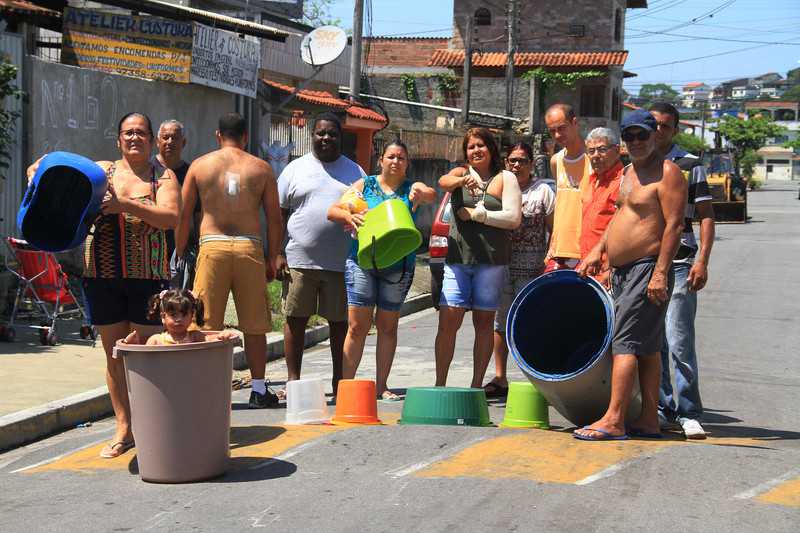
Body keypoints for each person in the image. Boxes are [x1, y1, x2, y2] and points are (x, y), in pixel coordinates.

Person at [27, 112, 181, 458]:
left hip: (147, 278)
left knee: (149, 354)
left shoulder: (163, 177)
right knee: (114, 355)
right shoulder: (101, 172)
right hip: (101, 274)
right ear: (118, 140)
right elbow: (46, 165)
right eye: (128, 133)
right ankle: (124, 428)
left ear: (152, 139)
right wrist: (37, 174)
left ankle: (156, 425)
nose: (134, 138)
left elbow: (170, 217)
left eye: (141, 133)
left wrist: (124, 205)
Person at [576, 109, 686, 441]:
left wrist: (660, 273)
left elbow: (674, 226)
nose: (636, 141)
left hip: (646, 268)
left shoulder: (668, 174)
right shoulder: (627, 172)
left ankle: (614, 419)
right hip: (623, 270)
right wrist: (599, 251)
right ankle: (649, 419)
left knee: (623, 344)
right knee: (648, 349)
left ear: (656, 136)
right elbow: (620, 217)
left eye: (642, 135)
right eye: (630, 136)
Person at [176, 112, 282, 409]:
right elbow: (274, 219)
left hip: (212, 246)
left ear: (217, 135)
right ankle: (259, 389)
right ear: (245, 137)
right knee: (255, 324)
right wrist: (273, 257)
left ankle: (208, 389)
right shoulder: (260, 168)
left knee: (206, 320)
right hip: (249, 247)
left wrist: (180, 249)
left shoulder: (199, 166)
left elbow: (185, 214)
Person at [328, 140, 435, 400]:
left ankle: (382, 386)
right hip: (362, 263)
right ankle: (346, 387)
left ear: (407, 163)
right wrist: (348, 216)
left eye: (401, 157)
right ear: (381, 160)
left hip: (399, 267)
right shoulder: (366, 185)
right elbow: (333, 211)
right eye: (391, 157)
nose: (395, 161)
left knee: (388, 327)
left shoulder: (411, 188)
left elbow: (429, 192)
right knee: (356, 327)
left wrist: (421, 194)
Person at [277, 112, 366, 397]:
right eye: (320, 133)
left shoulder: (356, 173)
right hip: (299, 260)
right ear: (312, 136)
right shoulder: (294, 169)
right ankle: (294, 382)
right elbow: (279, 213)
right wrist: (277, 253)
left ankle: (340, 381)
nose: (326, 138)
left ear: (341, 138)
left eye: (332, 134)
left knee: (340, 324)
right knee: (295, 319)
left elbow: (366, 213)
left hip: (342, 263)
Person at [435, 128, 522, 388]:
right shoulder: (460, 173)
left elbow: (513, 219)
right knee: (449, 320)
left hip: (492, 262)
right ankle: (440, 384)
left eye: (481, 145)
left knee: (484, 324)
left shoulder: (506, 178)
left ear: (491, 148)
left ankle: (475, 386)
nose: (476, 150)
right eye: (471, 147)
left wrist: (478, 215)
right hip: (458, 260)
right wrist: (462, 182)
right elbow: (442, 182)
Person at [650, 102, 715, 439]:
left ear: (674, 130)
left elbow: (705, 216)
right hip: (645, 261)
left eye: (665, 126)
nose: (658, 130)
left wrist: (702, 259)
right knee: (654, 340)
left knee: (679, 340)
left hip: (680, 261)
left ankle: (689, 412)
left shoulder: (691, 165)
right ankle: (662, 408)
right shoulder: (638, 162)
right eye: (654, 124)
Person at [484, 142, 554, 398]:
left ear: (531, 163)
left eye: (522, 161)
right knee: (500, 323)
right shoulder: (498, 188)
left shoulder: (543, 190)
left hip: (533, 268)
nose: (516, 165)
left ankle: (538, 377)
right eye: (512, 160)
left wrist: (550, 260)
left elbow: (553, 229)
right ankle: (500, 377)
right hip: (502, 266)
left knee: (530, 322)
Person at [544, 103, 592, 272]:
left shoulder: (594, 159)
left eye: (562, 128)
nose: (557, 135)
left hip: (588, 250)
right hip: (559, 251)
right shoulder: (556, 160)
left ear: (575, 123)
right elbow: (562, 205)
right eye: (552, 131)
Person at [152, 119, 197, 289]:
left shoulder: (191, 173)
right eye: (165, 137)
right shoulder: (147, 169)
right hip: (150, 248)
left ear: (183, 142)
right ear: (158, 141)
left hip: (180, 251)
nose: (170, 142)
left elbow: (197, 214)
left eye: (175, 138)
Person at [580, 127, 624, 288]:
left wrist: (611, 269)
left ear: (617, 150)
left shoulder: (624, 181)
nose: (596, 156)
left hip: (609, 271)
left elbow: (624, 230)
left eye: (602, 150)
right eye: (591, 151)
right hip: (587, 266)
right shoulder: (591, 180)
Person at [123, 289, 237, 345]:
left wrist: (222, 335)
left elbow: (210, 340)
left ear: (192, 315)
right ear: (163, 317)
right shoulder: (156, 340)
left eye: (184, 314)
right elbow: (143, 360)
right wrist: (133, 344)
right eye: (173, 315)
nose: (179, 319)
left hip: (187, 383)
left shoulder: (194, 337)